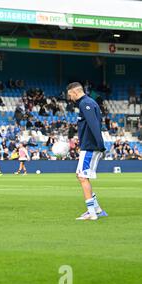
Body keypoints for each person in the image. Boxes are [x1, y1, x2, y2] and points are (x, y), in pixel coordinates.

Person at [67, 82, 107, 221]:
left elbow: (94, 124)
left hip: (90, 147)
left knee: (83, 177)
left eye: (69, 94)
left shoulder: (85, 104)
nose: (69, 97)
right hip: (90, 145)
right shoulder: (88, 102)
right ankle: (97, 209)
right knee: (81, 176)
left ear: (74, 92)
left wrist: (100, 146)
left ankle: (92, 212)